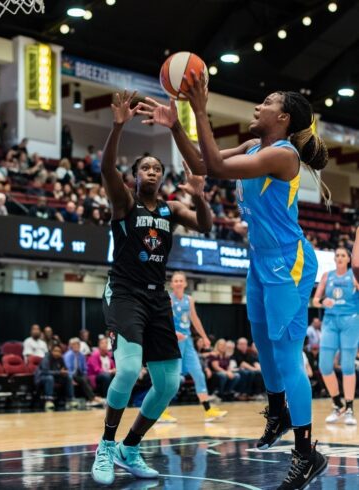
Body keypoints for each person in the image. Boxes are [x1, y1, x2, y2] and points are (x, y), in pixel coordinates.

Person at [138, 84, 329, 488]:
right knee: (263, 342)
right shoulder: (252, 145)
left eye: (268, 104)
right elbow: (201, 165)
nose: (258, 106)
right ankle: (277, 411)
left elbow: (218, 170)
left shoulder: (282, 154)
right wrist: (176, 127)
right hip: (260, 260)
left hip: (288, 262)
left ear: (284, 119)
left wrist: (201, 108)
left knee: (287, 354)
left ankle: (306, 453)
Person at [91, 90, 212, 485]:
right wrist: (117, 127)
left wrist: (200, 197)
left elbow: (206, 226)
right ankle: (106, 447)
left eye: (157, 169)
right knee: (127, 370)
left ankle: (130, 446)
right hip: (125, 293)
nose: (152, 172)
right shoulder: (125, 203)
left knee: (169, 385)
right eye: (145, 168)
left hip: (156, 296)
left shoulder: (171, 209)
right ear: (135, 176)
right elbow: (107, 170)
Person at [160, 271, 227, 423]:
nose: (178, 283)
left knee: (198, 373)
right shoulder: (168, 299)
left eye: (180, 280)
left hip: (188, 341)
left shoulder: (189, 299)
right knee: (174, 378)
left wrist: (204, 336)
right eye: (175, 280)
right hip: (173, 341)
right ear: (171, 284)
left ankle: (208, 410)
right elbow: (163, 320)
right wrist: (174, 332)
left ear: (185, 283)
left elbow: (195, 319)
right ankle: (162, 411)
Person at [313, 247, 359, 425]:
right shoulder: (327, 276)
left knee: (347, 365)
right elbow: (315, 300)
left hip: (351, 321)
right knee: (324, 366)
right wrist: (324, 301)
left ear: (349, 259)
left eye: (343, 255)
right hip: (330, 321)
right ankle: (336, 403)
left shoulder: (354, 275)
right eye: (337, 255)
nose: (339, 258)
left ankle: (349, 409)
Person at [35, 344, 77, 411]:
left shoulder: (61, 359)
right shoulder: (46, 358)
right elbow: (45, 372)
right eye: (55, 351)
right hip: (41, 378)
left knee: (68, 378)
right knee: (49, 378)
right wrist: (59, 372)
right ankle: (49, 401)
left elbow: (64, 369)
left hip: (55, 378)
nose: (57, 353)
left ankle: (71, 400)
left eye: (59, 351)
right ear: (51, 351)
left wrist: (65, 373)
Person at [63, 338, 102, 406]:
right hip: (70, 375)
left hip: (79, 374)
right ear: (71, 346)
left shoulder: (81, 355)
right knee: (82, 379)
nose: (77, 346)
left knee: (86, 378)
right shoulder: (68, 355)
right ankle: (92, 398)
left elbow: (85, 368)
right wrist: (71, 379)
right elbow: (67, 369)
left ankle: (89, 399)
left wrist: (85, 374)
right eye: (74, 344)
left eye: (78, 344)